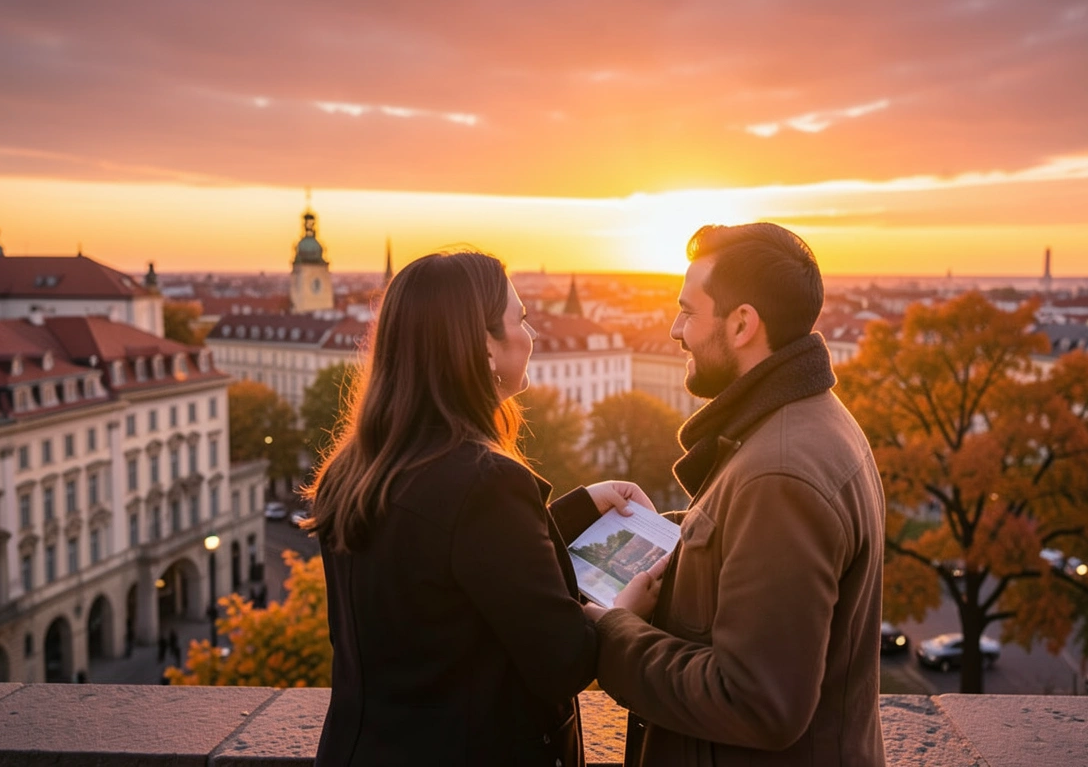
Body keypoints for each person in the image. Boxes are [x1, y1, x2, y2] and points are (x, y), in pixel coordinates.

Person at [304, 250, 661, 766]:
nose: (532, 334)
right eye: (521, 319)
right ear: (483, 347)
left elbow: (447, 575)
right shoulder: (484, 484)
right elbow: (563, 661)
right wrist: (624, 612)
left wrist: (582, 507)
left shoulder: (355, 468)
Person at [592, 223, 886, 766]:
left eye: (688, 311)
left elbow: (756, 701)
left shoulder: (778, 473)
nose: (676, 330)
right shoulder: (806, 419)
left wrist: (615, 635)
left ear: (743, 323)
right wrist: (670, 532)